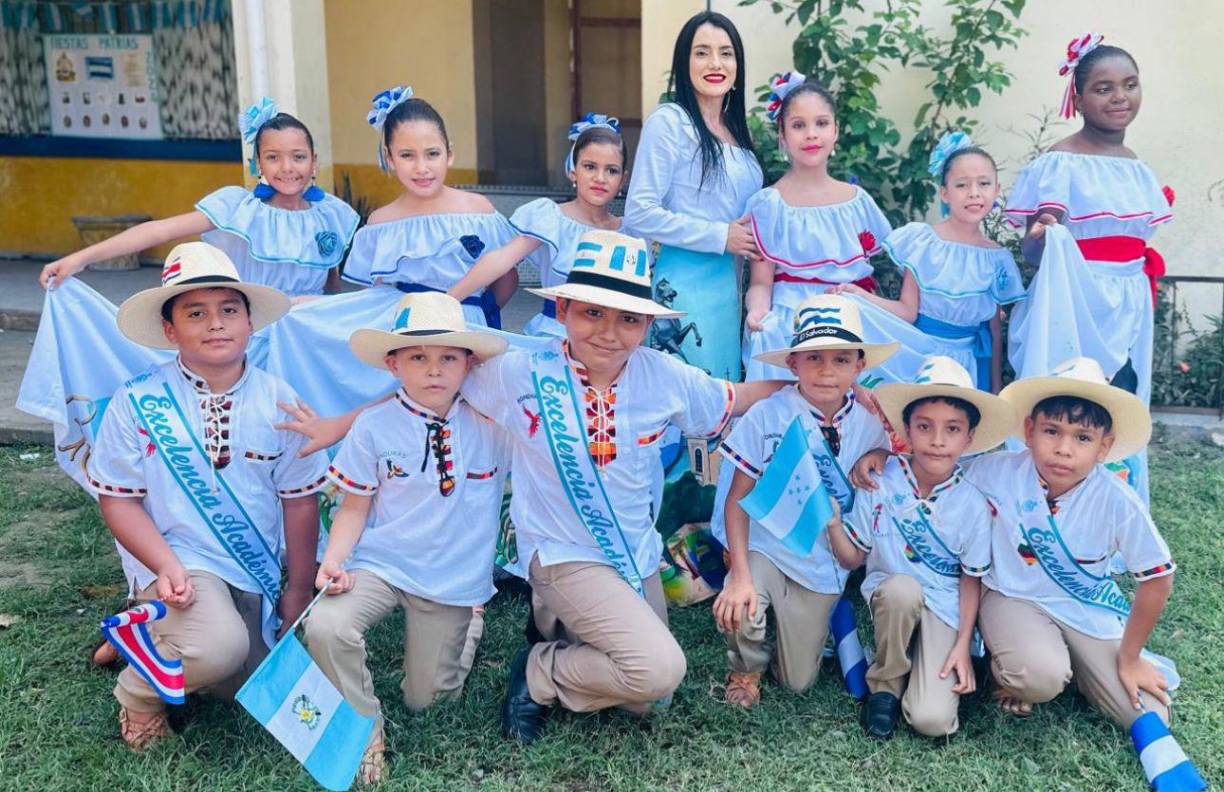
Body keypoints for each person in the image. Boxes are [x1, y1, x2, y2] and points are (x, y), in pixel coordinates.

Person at [454, 229, 786, 743]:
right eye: (592, 312)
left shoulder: (665, 376)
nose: (609, 332)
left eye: (629, 318)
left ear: (648, 324)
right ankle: (539, 670)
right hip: (561, 553)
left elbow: (736, 397)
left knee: (651, 696)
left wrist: (814, 384)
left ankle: (561, 636)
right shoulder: (518, 372)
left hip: (632, 553)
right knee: (658, 669)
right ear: (562, 309)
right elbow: (441, 383)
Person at [84, 242, 328, 749]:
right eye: (196, 313)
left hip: (250, 565)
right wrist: (166, 566)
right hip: (175, 561)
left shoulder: (280, 399)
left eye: (228, 310)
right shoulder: (138, 401)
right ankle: (138, 695)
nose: (216, 323)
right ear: (170, 331)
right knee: (218, 649)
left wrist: (298, 590)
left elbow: (300, 500)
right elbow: (119, 500)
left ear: (249, 322)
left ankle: (143, 638)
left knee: (240, 685)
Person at [305, 292, 510, 785]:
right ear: (393, 364)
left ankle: (471, 623)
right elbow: (355, 505)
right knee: (326, 628)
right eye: (418, 357)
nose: (433, 370)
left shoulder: (495, 422)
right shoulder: (373, 425)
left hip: (451, 579)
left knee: (428, 702)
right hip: (383, 564)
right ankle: (362, 731)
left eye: (448, 358)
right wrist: (333, 560)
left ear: (470, 364)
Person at [1005, 35, 1173, 502]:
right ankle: (1044, 498)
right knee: (1068, 393)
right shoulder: (1063, 161)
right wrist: (1042, 236)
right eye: (1103, 88)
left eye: (1130, 85)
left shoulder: (1136, 166)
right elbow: (1034, 253)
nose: (1120, 97)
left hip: (1127, 300)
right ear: (1077, 97)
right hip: (1074, 299)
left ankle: (1108, 500)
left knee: (1119, 396)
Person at [713, 294, 897, 709]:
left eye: (840, 359)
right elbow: (736, 498)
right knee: (743, 605)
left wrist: (880, 454)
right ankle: (745, 668)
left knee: (797, 682)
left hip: (825, 562)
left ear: (859, 366)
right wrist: (740, 573)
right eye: (813, 358)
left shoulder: (871, 422)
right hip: (769, 547)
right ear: (793, 364)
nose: (827, 371)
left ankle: (826, 624)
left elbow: (898, 465)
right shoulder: (768, 413)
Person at [827, 356, 1013, 739]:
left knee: (932, 721)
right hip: (893, 597)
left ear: (969, 437)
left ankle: (922, 664)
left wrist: (964, 643)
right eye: (924, 427)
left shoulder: (974, 504)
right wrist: (831, 523)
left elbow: (970, 579)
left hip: (944, 607)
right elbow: (853, 557)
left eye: (952, 429)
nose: (938, 441)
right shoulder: (881, 479)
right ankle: (885, 687)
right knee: (901, 590)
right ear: (906, 430)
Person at [39, 98, 359, 298]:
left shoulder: (331, 214)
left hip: (309, 342)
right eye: (273, 157)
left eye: (298, 157)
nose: (287, 168)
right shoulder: (239, 209)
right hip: (253, 337)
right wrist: (79, 258)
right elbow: (159, 230)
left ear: (314, 161)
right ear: (258, 163)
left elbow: (331, 287)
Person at [625, 10, 763, 382]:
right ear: (684, 62)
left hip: (731, 290)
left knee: (722, 400)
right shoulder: (671, 122)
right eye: (702, 52)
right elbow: (639, 213)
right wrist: (720, 235)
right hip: (684, 286)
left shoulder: (739, 139)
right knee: (684, 402)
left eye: (726, 53)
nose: (715, 63)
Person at [833, 132, 1025, 392]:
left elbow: (992, 331)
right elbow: (907, 311)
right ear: (944, 193)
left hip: (968, 363)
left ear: (997, 190)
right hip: (921, 356)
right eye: (961, 185)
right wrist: (859, 296)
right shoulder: (924, 243)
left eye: (983, 183)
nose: (974, 193)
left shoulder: (997, 258)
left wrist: (994, 388)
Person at [741, 73, 893, 382]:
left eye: (821, 123)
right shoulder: (770, 205)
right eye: (798, 125)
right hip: (792, 320)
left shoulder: (856, 201)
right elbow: (761, 282)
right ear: (782, 136)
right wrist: (757, 311)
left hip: (851, 318)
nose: (811, 134)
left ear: (836, 131)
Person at [341, 86, 518, 329]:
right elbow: (375, 296)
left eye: (432, 154)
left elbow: (506, 280)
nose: (421, 168)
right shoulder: (381, 223)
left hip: (465, 327)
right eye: (407, 155)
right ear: (389, 158)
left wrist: (476, 315)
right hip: (406, 331)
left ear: (450, 153)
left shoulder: (478, 212)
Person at [450, 114, 635, 339]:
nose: (600, 178)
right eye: (590, 166)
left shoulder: (630, 232)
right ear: (573, 171)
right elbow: (502, 259)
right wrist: (448, 300)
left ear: (623, 179)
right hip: (556, 337)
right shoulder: (551, 219)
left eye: (611, 170)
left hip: (611, 341)